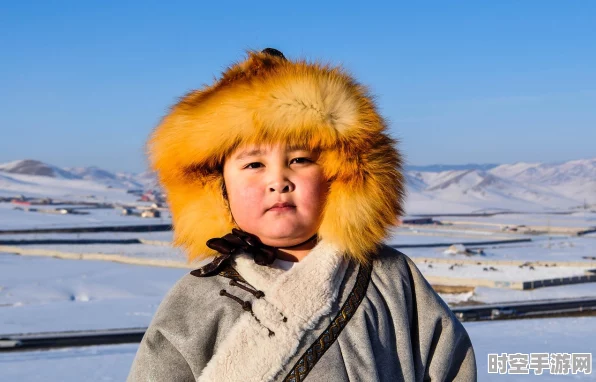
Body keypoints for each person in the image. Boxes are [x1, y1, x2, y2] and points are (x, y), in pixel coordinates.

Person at [127, 48, 477, 382]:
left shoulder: (391, 277)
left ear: (342, 177)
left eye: (299, 160)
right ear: (217, 189)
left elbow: (451, 365)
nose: (278, 180)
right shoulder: (197, 299)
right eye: (253, 164)